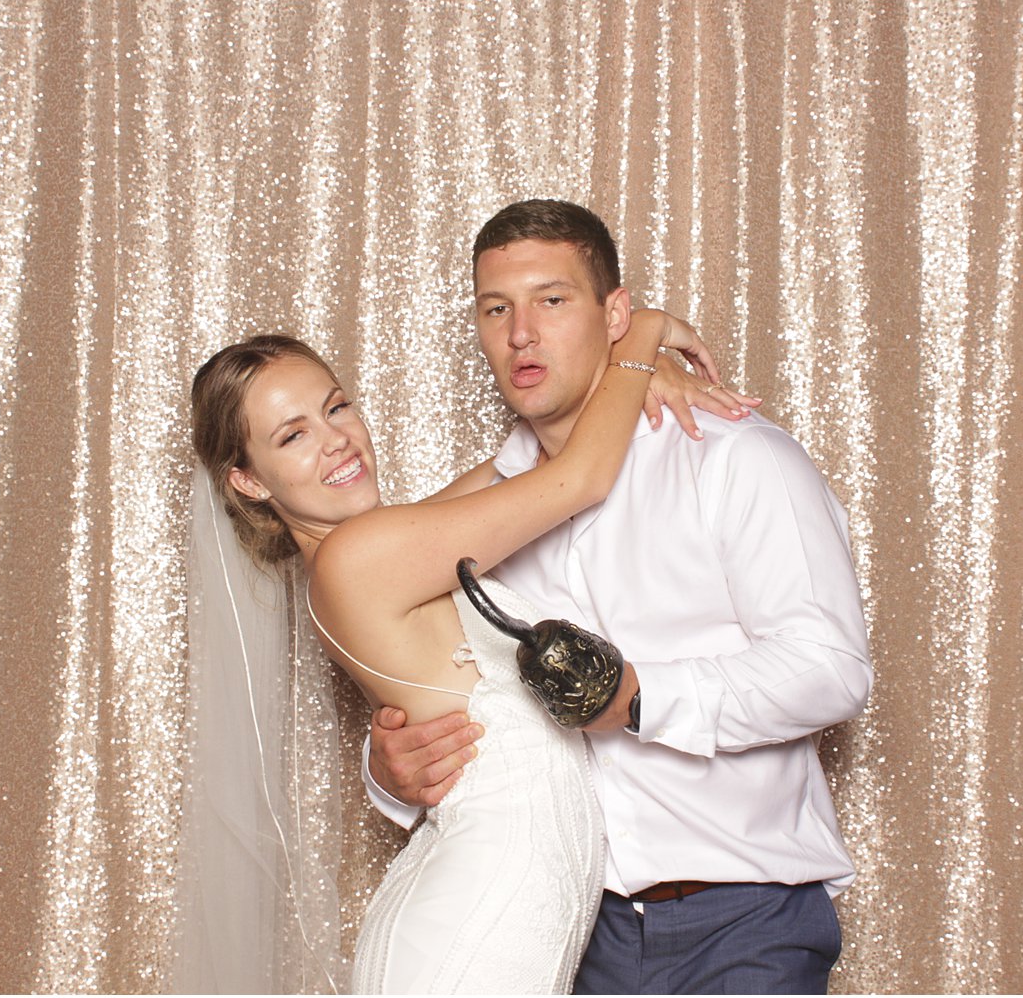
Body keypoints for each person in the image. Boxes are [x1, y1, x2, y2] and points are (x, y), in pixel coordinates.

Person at [366, 199, 873, 995]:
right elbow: (440, 680)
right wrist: (391, 772)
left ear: (616, 315)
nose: (521, 332)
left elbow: (831, 667)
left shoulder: (738, 460)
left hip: (744, 919)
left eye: (552, 300)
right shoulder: (483, 516)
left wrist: (639, 698)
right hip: (574, 936)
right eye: (496, 308)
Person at [185, 308, 753, 993]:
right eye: (293, 435)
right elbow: (578, 479)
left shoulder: (388, 545)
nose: (337, 441)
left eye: (337, 406)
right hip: (476, 925)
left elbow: (532, 456)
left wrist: (621, 377)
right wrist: (640, 334)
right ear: (249, 479)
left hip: (494, 906)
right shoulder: (359, 558)